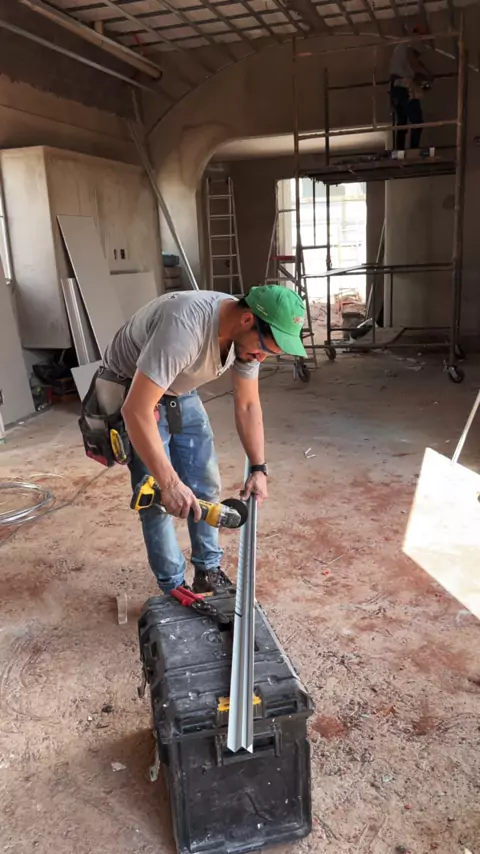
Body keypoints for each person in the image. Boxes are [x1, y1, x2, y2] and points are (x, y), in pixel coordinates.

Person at [102, 285, 307, 594]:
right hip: (133, 387)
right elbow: (136, 410)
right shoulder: (184, 328)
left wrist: (258, 469)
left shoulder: (246, 338)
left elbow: (248, 404)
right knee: (158, 497)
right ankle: (173, 586)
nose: (261, 358)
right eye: (264, 348)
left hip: (178, 386)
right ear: (247, 320)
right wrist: (170, 483)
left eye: (271, 353)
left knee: (205, 483)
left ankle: (207, 570)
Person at [389, 26, 433, 150]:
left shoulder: (401, 47)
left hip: (395, 87)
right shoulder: (411, 44)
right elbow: (413, 62)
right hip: (404, 86)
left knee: (402, 122)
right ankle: (413, 149)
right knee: (417, 121)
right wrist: (427, 75)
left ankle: (399, 151)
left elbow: (414, 63)